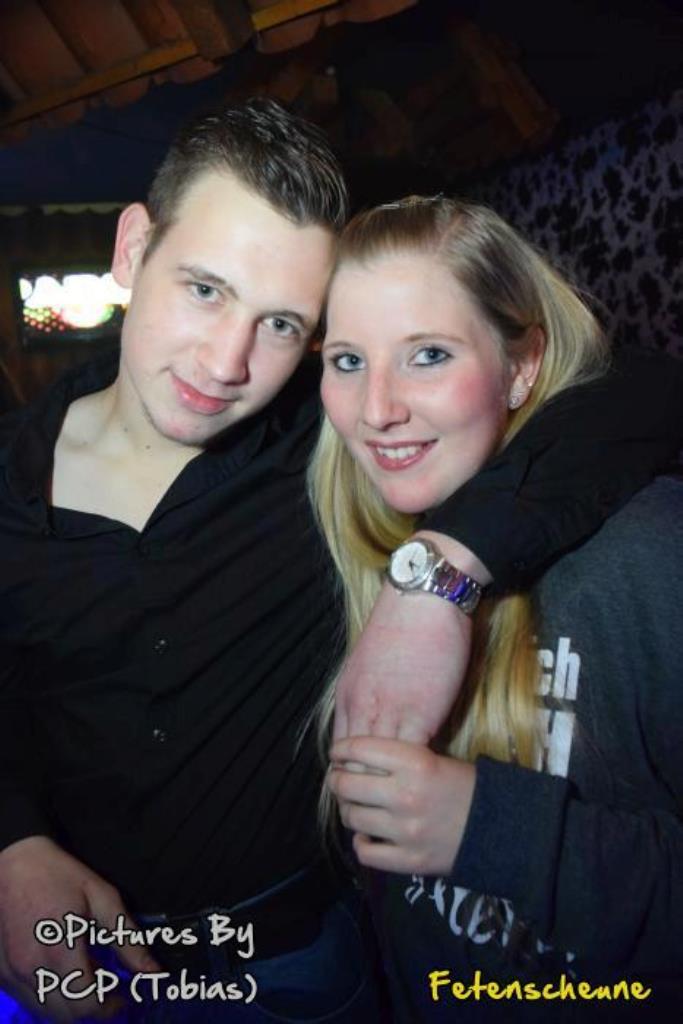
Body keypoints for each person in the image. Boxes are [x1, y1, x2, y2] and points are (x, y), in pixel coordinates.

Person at [0, 102, 681, 1024]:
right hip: (86, 962)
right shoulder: (11, 486)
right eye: (205, 289)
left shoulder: (329, 452)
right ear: (133, 250)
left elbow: (634, 389)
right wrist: (11, 843)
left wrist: (438, 574)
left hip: (302, 965)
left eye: (283, 325)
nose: (228, 362)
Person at [320, 195, 683, 1021]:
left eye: (427, 355)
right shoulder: (349, 547)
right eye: (346, 360)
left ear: (522, 366)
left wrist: (492, 830)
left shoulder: (649, 554)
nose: (376, 409)